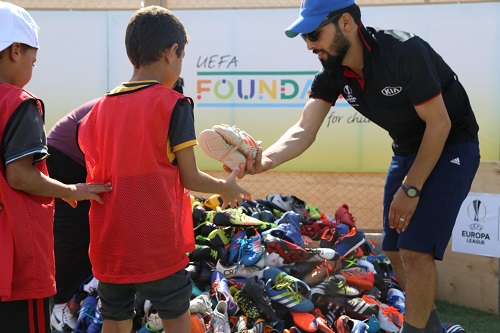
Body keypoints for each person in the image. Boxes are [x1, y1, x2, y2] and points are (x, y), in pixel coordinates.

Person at [241, 1, 480, 333]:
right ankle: (434, 329)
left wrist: (411, 189)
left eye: (314, 33)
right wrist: (265, 160)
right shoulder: (333, 73)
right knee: (395, 251)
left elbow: (439, 125)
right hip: (409, 150)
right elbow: (303, 129)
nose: (309, 44)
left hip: (453, 143)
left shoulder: (404, 50)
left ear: (347, 23)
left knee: (414, 251)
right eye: (304, 37)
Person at [77, 6, 249, 333]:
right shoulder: (174, 105)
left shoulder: (96, 110)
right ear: (172, 53)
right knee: (176, 319)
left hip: (110, 245)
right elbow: (191, 177)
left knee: (114, 319)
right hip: (156, 245)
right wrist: (226, 188)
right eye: (182, 58)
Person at [0, 2, 112, 333]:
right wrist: (69, 190)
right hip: (16, 261)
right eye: (32, 61)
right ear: (15, 50)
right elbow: (20, 175)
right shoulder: (20, 103)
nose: (32, 69)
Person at [47, 77, 186, 332]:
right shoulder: (139, 105)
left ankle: (81, 289)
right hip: (64, 157)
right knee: (75, 235)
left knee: (99, 228)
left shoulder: (146, 102)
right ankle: (58, 307)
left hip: (76, 156)